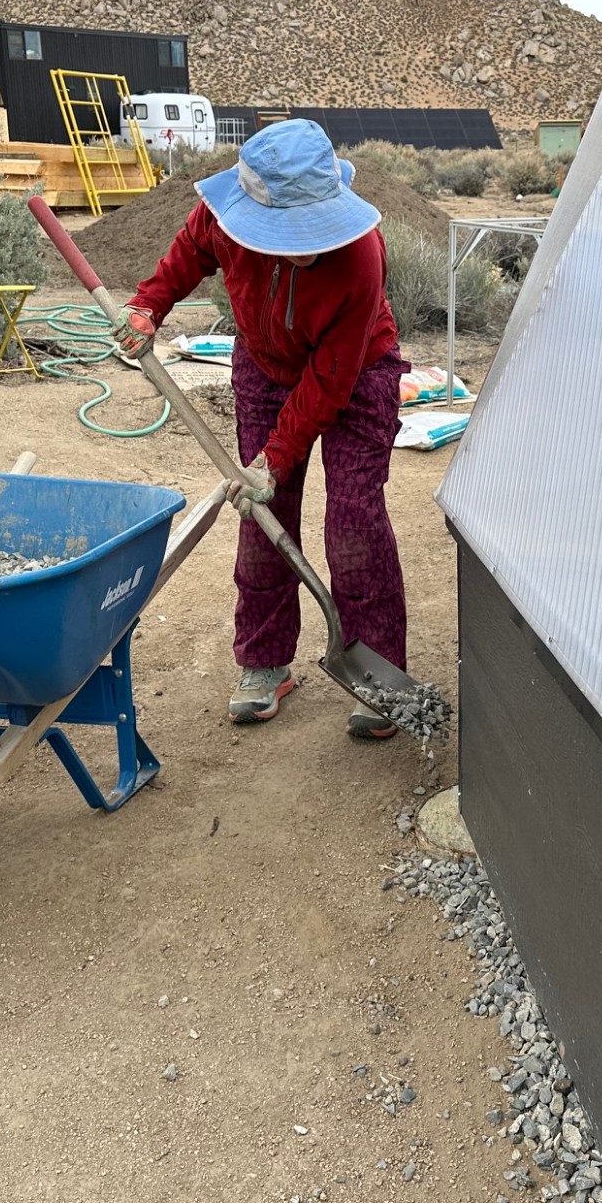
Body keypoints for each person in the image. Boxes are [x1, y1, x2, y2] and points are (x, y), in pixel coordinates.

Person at [116, 119, 408, 739]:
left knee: (354, 521)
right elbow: (187, 254)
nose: (304, 244)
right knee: (261, 515)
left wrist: (275, 455)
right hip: (263, 368)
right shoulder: (223, 222)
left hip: (356, 373)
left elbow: (330, 380)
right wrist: (147, 306)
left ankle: (379, 669)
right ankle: (265, 660)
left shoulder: (360, 256)